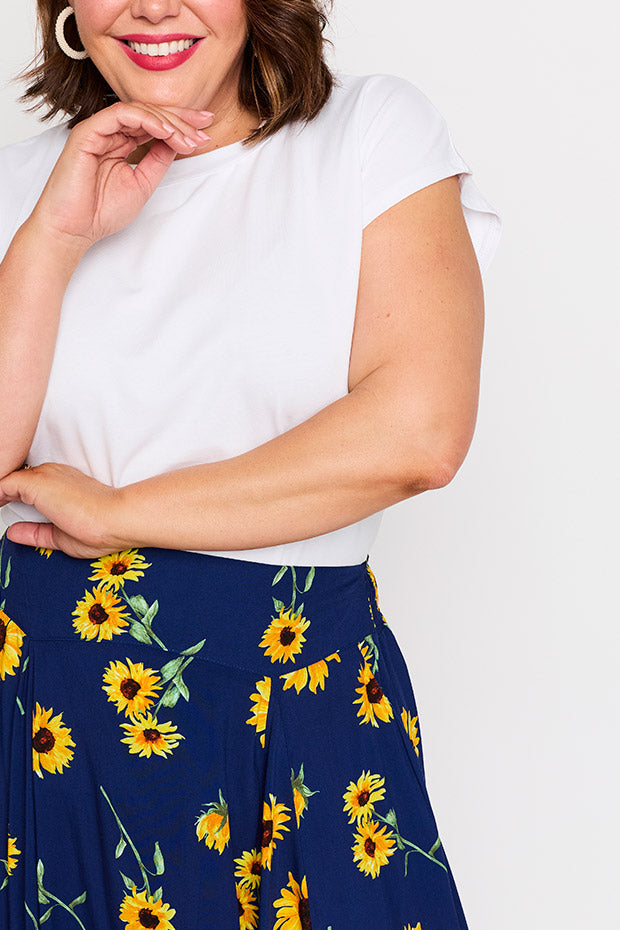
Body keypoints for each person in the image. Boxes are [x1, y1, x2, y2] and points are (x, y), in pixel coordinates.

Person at [0, 0, 501, 927]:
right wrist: (53, 240)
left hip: (293, 704)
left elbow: (420, 434)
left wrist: (123, 511)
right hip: (44, 708)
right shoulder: (23, 178)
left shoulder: (368, 133)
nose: (153, 6)